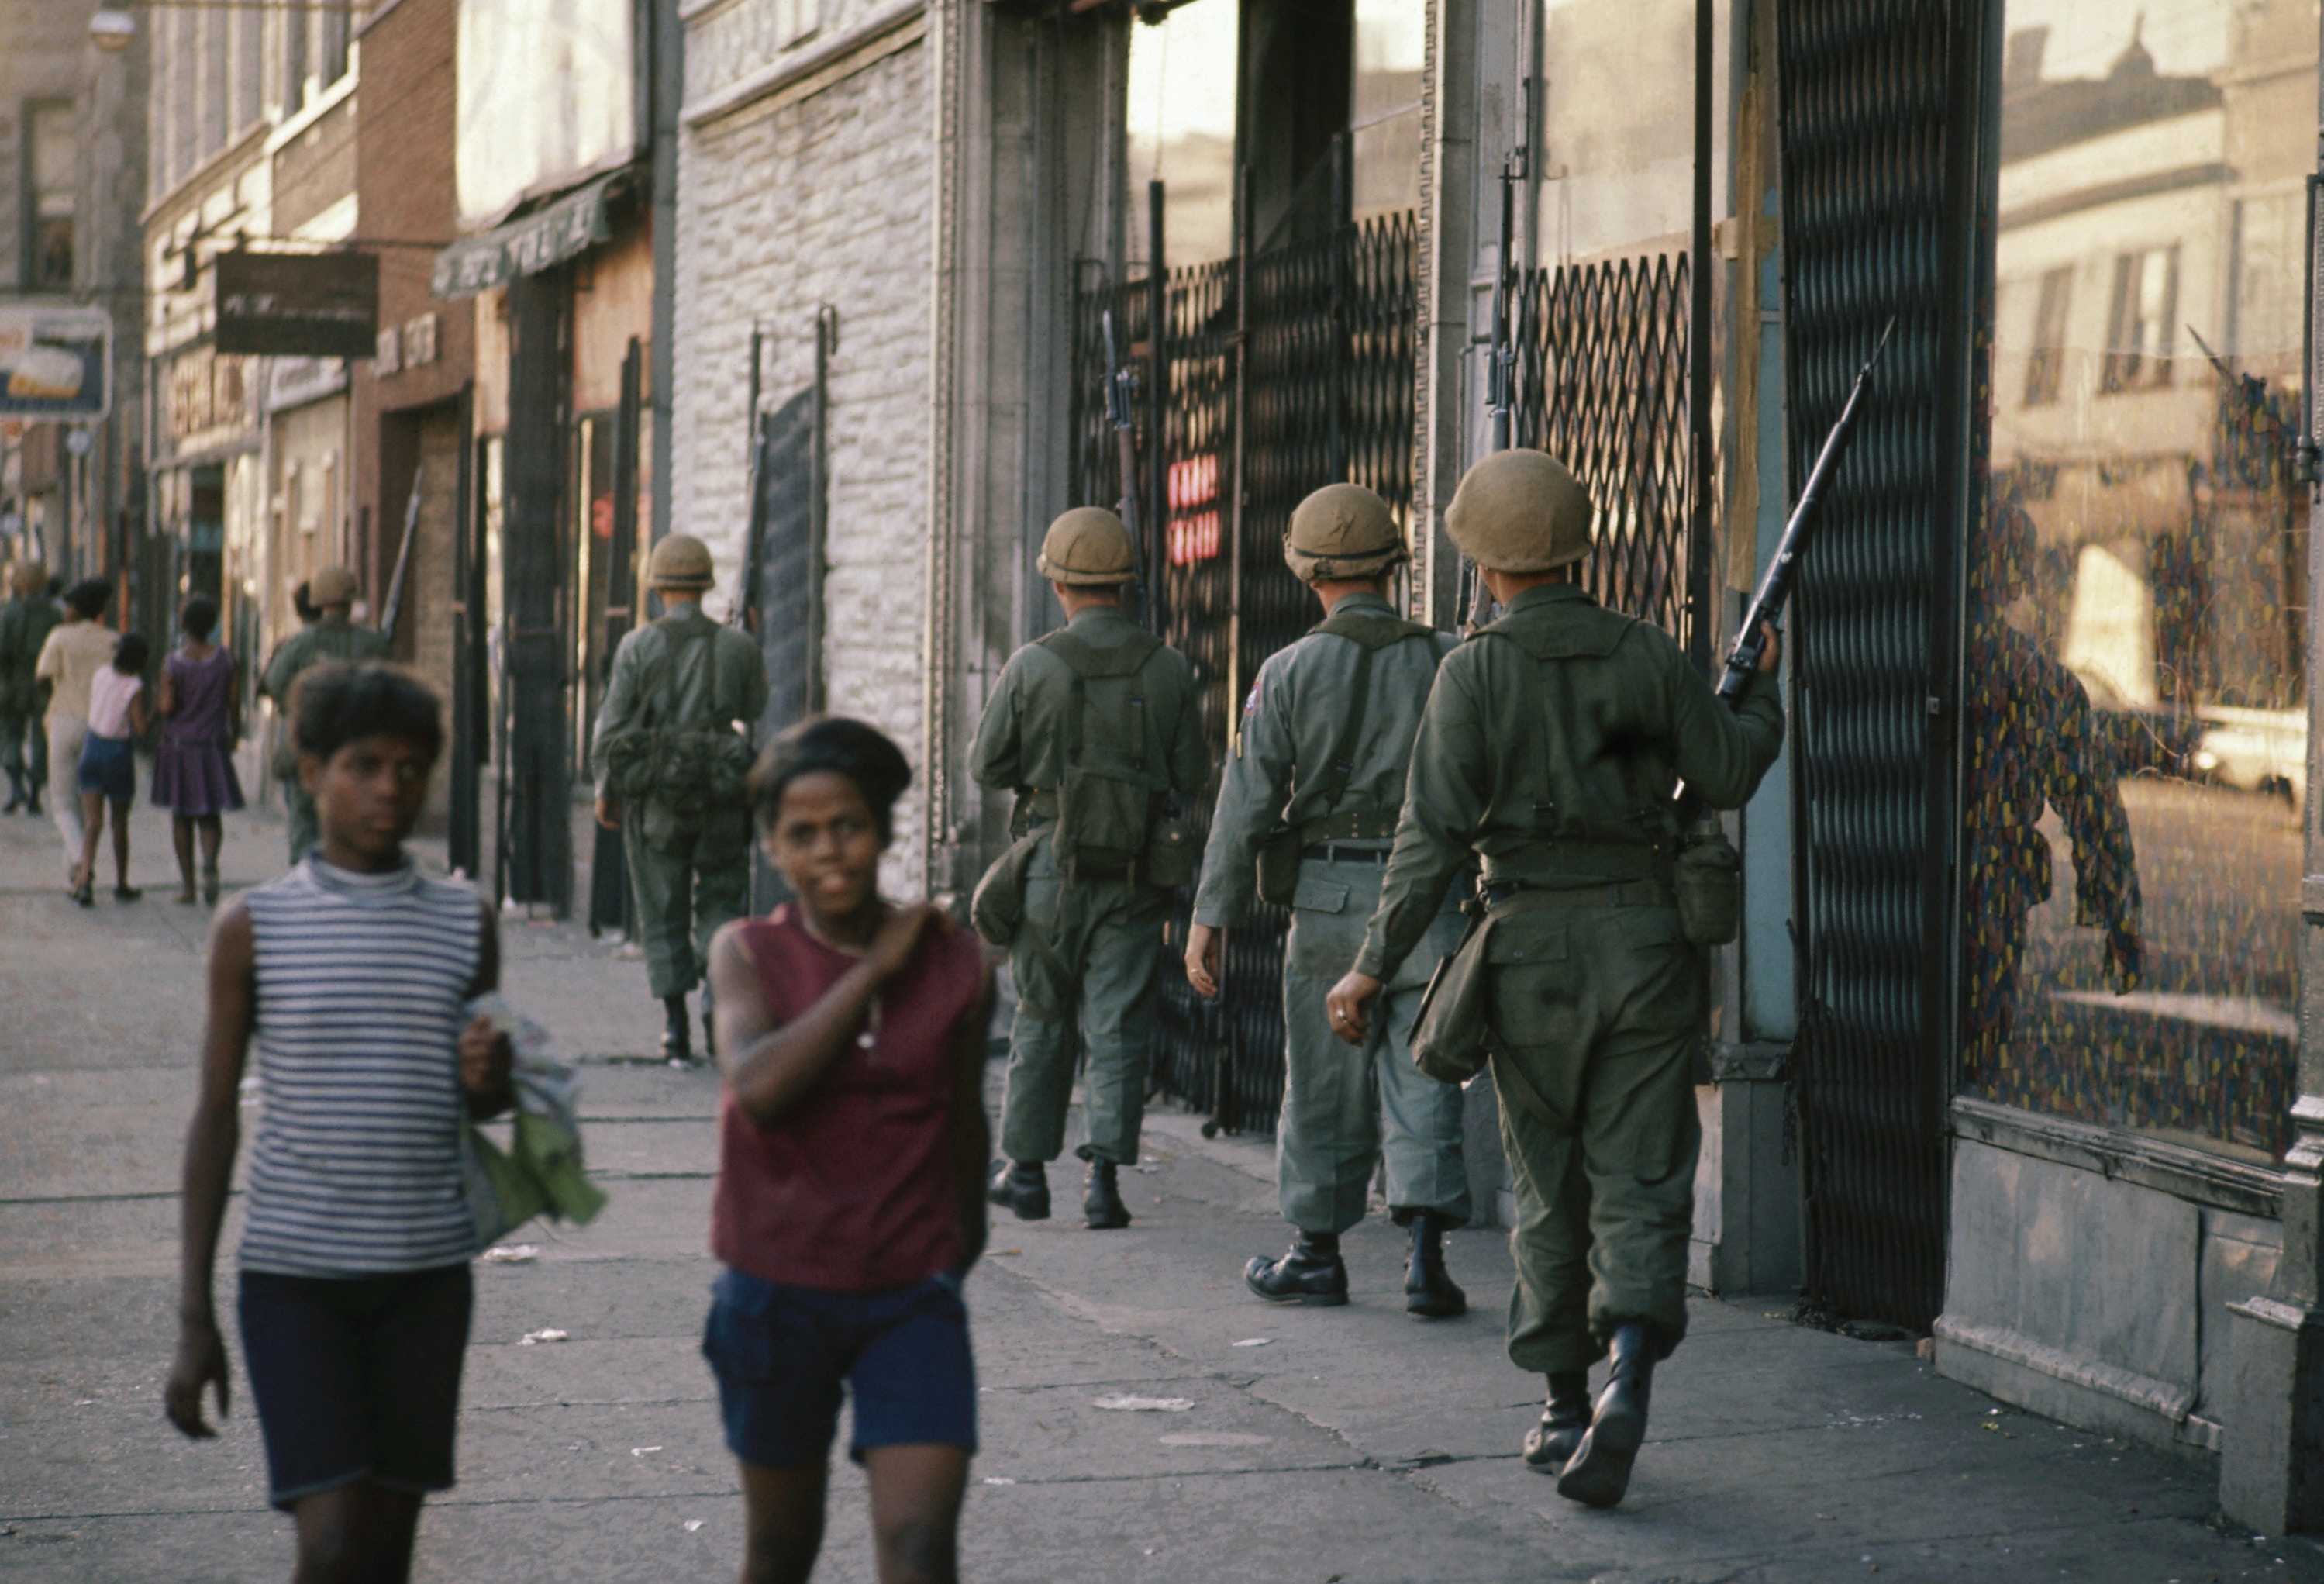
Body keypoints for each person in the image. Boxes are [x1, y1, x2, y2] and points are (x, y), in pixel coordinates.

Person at [1324, 449, 1784, 1509]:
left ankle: (1564, 1404)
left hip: (1524, 956)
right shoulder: (1652, 657)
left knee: (1548, 1187)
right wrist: (1756, 691)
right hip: (1645, 949)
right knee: (1639, 1175)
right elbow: (1725, 768)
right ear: (1581, 546)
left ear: (1482, 565)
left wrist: (1367, 968)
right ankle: (1630, 1363)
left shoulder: (1470, 673)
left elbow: (1426, 840)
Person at [165, 661, 515, 1584]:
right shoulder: (255, 928)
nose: (390, 789)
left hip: (427, 1278)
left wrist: (493, 1078)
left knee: (388, 1544)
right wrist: (194, 1314)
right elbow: (214, 1118)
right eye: (364, 765)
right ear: (309, 769)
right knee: (329, 1543)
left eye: (411, 767)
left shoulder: (464, 921)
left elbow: (480, 1100)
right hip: (296, 1280)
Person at [702, 716, 991, 1584]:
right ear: (772, 847)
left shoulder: (959, 966)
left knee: (918, 1547)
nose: (830, 850)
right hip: (775, 1297)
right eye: (803, 833)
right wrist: (872, 970)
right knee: (781, 1549)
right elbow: (757, 1086)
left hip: (910, 1298)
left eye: (850, 826)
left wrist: (952, 1255)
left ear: (884, 830)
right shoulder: (748, 954)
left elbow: (966, 1124)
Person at [1184, 483, 1471, 1315]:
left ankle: (1317, 1251)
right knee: (1424, 1068)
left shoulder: (1286, 671)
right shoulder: (1448, 656)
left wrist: (1210, 920)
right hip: (1430, 894)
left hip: (1329, 893)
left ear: (1305, 570)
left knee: (1321, 1076)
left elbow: (1244, 804)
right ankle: (1425, 1258)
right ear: (1393, 563)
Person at [971, 507, 1208, 1230]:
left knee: (1041, 1013)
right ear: (1126, 585)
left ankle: (1027, 1171)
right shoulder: (1167, 668)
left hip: (1048, 865)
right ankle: (1103, 1182)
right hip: (1136, 874)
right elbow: (1193, 771)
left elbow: (987, 765)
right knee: (1119, 1021)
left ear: (1060, 583)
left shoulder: (1032, 663)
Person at [591, 533, 770, 1061]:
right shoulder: (738, 645)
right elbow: (755, 704)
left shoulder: (638, 646)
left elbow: (612, 728)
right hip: (722, 791)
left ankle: (675, 1027)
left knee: (661, 903)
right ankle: (720, 1004)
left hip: (659, 796)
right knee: (721, 899)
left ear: (658, 586)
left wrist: (607, 788)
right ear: (705, 584)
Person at [261, 566, 391, 865]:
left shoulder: (299, 644)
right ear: (350, 599)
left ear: (317, 600)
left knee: (305, 824)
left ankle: (307, 888)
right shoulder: (373, 644)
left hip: (309, 751)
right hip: (359, 752)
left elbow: (275, 684)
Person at [155, 594, 248, 906]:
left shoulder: (172, 664)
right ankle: (210, 864)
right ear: (212, 624)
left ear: (184, 625)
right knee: (210, 814)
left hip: (180, 746)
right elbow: (233, 704)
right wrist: (235, 733)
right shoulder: (226, 661)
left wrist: (161, 700)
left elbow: (167, 707)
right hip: (212, 744)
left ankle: (188, 887)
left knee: (181, 817)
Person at [33, 579, 120, 887]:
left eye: (68, 606)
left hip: (64, 721)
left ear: (76, 610)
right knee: (89, 806)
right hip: (99, 727)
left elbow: (42, 677)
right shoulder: (112, 641)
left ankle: (82, 863)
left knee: (63, 805)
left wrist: (58, 692)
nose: (64, 610)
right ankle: (78, 875)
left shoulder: (60, 637)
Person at [71, 630, 153, 906]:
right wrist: (158, 714)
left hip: (92, 747)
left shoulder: (101, 674)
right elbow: (140, 728)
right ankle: (121, 882)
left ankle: (84, 878)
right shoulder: (134, 686)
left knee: (92, 822)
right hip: (117, 753)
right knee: (119, 822)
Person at [0, 559, 58, 814]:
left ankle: (16, 786)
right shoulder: (53, 614)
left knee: (9, 736)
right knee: (41, 741)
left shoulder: (8, 614)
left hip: (13, 682)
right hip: (44, 685)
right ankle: (35, 794)